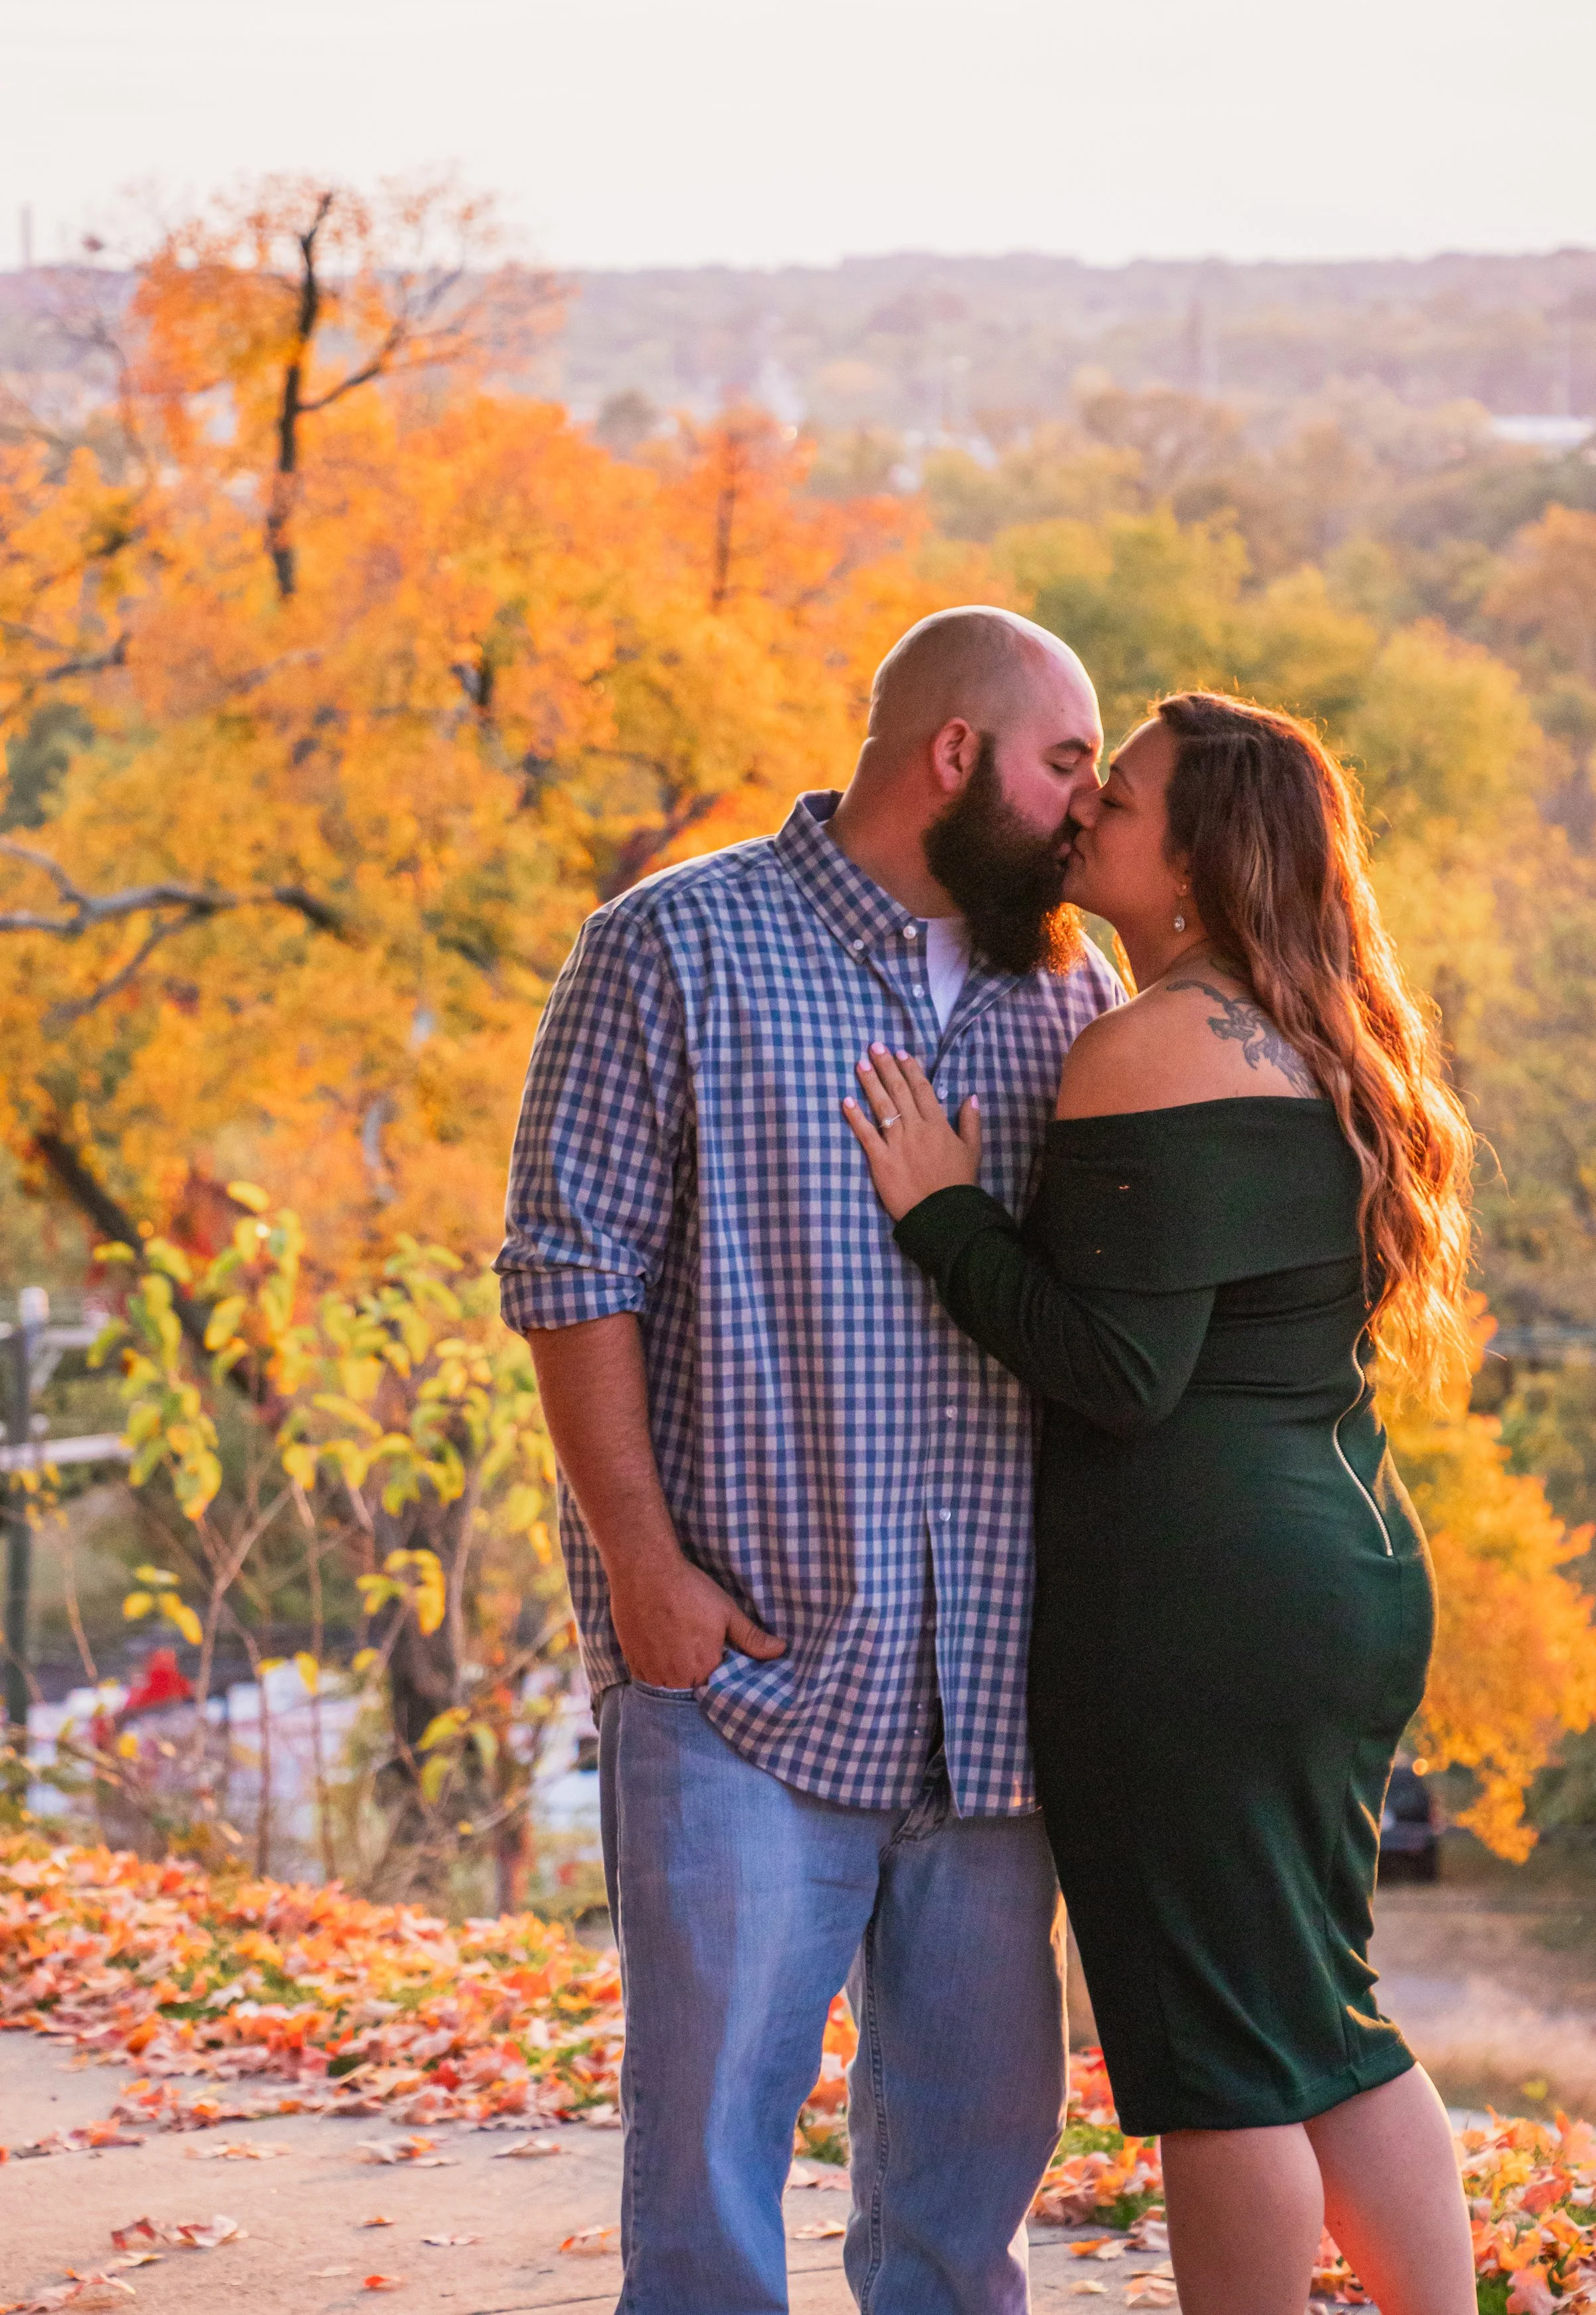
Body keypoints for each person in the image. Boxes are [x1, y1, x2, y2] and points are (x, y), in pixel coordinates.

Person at [495, 606, 1124, 2314]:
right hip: (741, 1675)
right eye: (1067, 762)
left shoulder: (1073, 982)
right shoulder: (667, 946)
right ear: (952, 756)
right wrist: (642, 1566)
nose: (1089, 804)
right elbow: (570, 1270)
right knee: (704, 2177)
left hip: (992, 1693)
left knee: (968, 2188)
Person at [843, 690, 1479, 2315]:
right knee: (1314, 2005)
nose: (1080, 819)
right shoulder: (1324, 1038)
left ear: (1191, 858)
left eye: (1114, 798)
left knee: (1212, 2049)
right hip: (1336, 1569)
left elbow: (1117, 1370)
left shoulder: (1142, 1047)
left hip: (1196, 1609)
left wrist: (942, 1211)